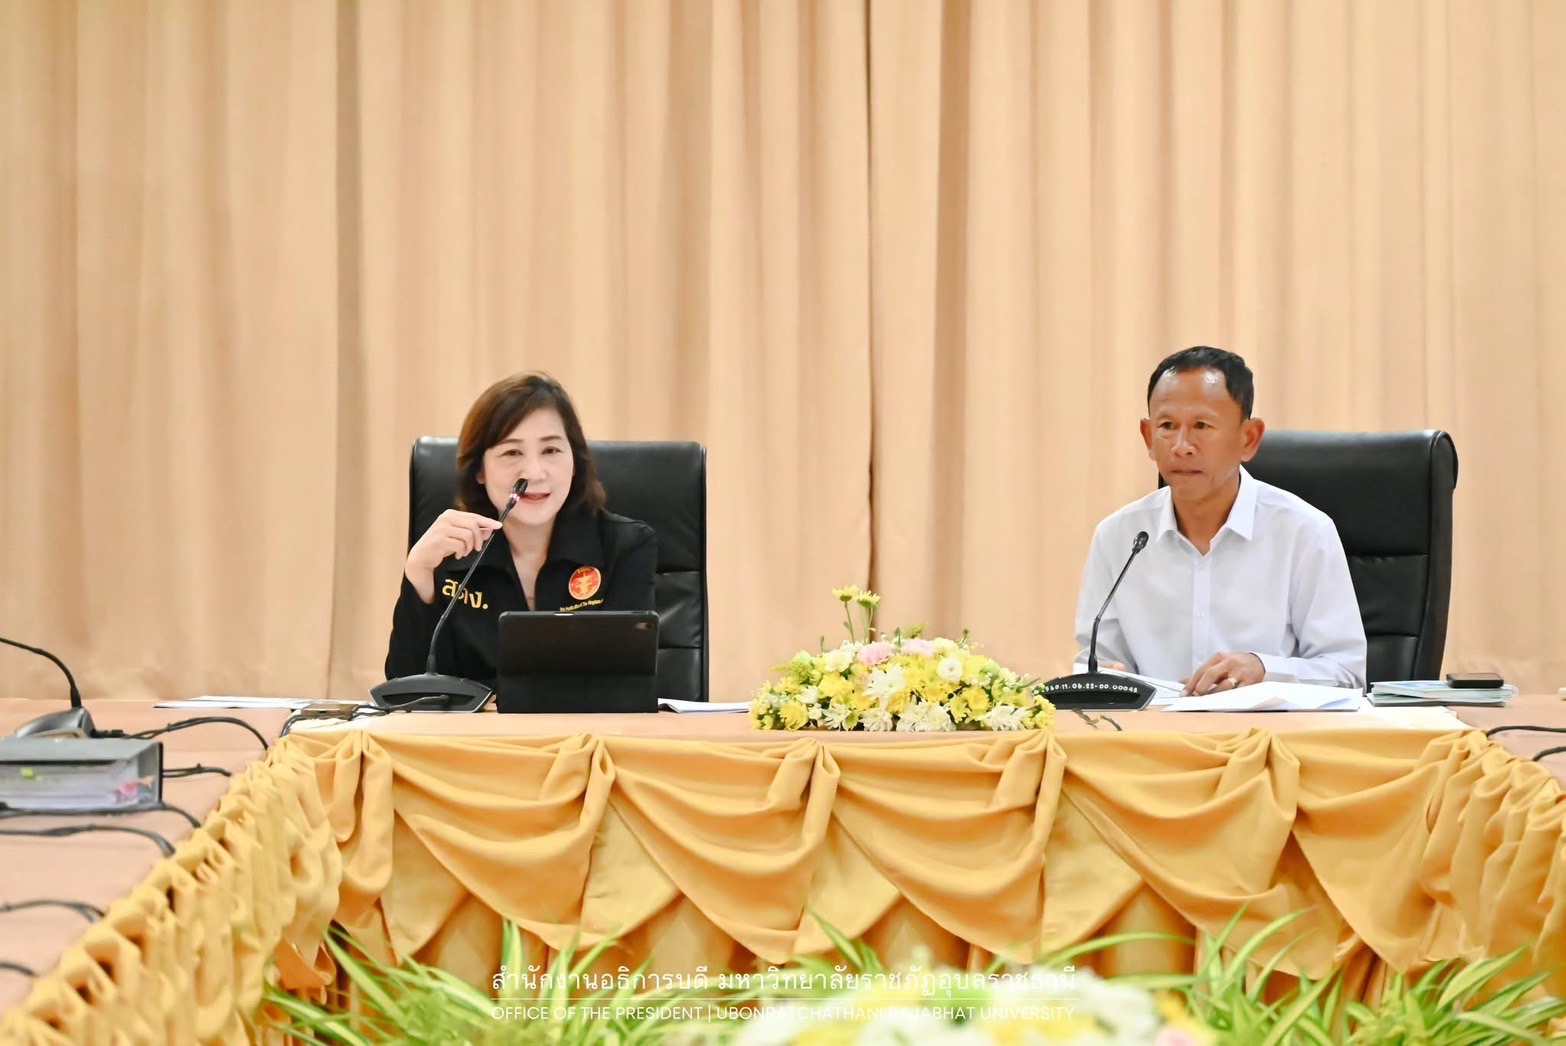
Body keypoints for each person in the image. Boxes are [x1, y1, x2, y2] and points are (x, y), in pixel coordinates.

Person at [1072, 347, 1367, 694]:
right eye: (1167, 426)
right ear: (1148, 437)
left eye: (1201, 425)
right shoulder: (1119, 538)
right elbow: (1096, 662)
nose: (1182, 446)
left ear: (1249, 438)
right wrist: (1100, 678)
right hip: (1155, 727)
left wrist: (1264, 669)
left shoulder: (1304, 532)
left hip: (1269, 728)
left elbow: (1346, 673)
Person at [384, 373, 658, 684]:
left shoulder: (625, 547)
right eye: (512, 452)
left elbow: (626, 685)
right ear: (479, 470)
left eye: (551, 450)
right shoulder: (451, 554)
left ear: (575, 462)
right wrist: (419, 575)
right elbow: (409, 691)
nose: (534, 472)